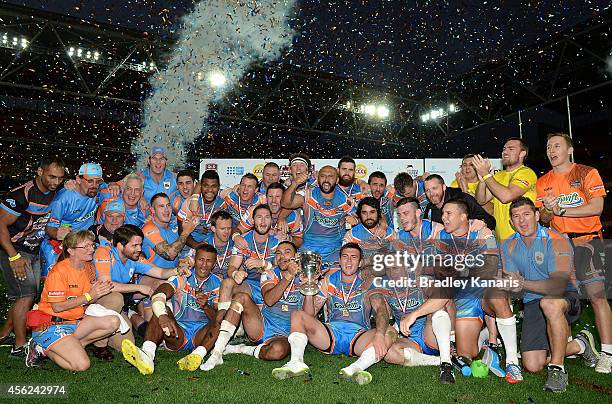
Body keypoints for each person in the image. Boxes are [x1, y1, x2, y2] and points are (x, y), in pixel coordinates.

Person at [502, 197, 599, 392]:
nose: (522, 221)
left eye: (527, 214)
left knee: (550, 303)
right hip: (532, 302)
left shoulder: (556, 239)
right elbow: (514, 282)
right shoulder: (508, 245)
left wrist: (522, 284)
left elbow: (557, 285)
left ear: (537, 216)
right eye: (516, 217)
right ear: (511, 223)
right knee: (532, 365)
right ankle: (580, 344)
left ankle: (557, 369)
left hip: (566, 297)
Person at [536, 132, 610, 374]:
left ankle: (608, 353)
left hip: (587, 242)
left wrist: (562, 210)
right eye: (548, 147)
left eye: (556, 146)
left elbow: (597, 207)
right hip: (559, 247)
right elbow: (545, 219)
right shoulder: (543, 181)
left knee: (597, 296)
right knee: (560, 299)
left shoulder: (587, 173)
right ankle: (577, 345)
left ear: (569, 150)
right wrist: (548, 209)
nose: (551, 150)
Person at [272, 243, 393, 385]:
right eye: (345, 257)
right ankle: (296, 362)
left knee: (390, 331)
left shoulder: (368, 283)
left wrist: (378, 335)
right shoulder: (328, 281)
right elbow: (309, 315)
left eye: (353, 257)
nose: (349, 261)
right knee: (297, 315)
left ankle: (356, 367)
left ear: (360, 262)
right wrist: (309, 287)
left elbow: (381, 309)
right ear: (340, 261)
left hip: (359, 336)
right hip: (330, 334)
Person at [431, 199, 523, 383]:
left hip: (483, 292)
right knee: (467, 354)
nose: (444, 218)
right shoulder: (441, 237)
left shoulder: (483, 232)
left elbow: (489, 269)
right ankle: (486, 337)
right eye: (443, 214)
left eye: (449, 213)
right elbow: (440, 271)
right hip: (464, 299)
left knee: (498, 294)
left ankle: (512, 362)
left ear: (464, 216)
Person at [199, 241, 306, 370]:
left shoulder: (305, 276)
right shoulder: (269, 273)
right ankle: (217, 353)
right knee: (241, 297)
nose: (282, 256)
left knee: (277, 351)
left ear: (297, 256)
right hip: (261, 326)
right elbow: (269, 300)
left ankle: (242, 349)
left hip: (286, 334)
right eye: (278, 253)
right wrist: (289, 275)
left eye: (287, 252)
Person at [199, 205, 280, 370]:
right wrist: (235, 273)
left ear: (272, 221)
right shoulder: (243, 240)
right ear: (253, 220)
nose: (263, 221)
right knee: (228, 282)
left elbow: (284, 266)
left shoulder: (278, 241)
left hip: (271, 289)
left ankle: (237, 331)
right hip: (250, 287)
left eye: (267, 217)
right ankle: (220, 328)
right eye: (259, 217)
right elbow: (231, 268)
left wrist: (265, 264)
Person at [25, 230, 120, 371]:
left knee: (113, 322)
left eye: (92, 245)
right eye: (85, 247)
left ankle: (73, 345)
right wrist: (90, 296)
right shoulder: (59, 272)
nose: (91, 249)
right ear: (71, 250)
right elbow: (57, 307)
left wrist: (97, 292)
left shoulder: (89, 267)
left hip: (75, 322)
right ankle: (42, 349)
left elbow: (89, 295)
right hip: (51, 325)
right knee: (82, 365)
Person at [120, 244, 222, 374]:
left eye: (209, 261)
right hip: (177, 332)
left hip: (201, 336)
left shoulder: (218, 283)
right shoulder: (181, 277)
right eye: (201, 259)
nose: (204, 264)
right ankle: (147, 355)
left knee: (221, 319)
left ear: (214, 264)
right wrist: (162, 315)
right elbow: (159, 294)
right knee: (161, 309)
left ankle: (197, 356)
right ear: (194, 260)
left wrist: (206, 307)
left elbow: (217, 319)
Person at [0, 157, 65, 358]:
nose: (55, 182)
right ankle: (20, 347)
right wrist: (13, 257)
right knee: (25, 295)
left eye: (60, 178)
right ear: (39, 172)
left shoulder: (55, 192)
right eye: (51, 176)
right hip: (13, 250)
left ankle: (3, 335)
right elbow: (0, 225)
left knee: (28, 294)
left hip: (33, 250)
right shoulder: (21, 195)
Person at [282, 165, 356, 264]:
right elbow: (285, 203)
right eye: (323, 176)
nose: (326, 179)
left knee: (338, 274)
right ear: (317, 178)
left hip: (334, 251)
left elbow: (363, 217)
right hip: (308, 248)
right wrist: (295, 183)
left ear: (337, 180)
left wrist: (355, 219)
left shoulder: (346, 200)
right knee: (299, 274)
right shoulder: (308, 195)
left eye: (330, 176)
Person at [40, 163, 104, 277]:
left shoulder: (99, 191)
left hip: (83, 243)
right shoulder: (62, 199)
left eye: (98, 181)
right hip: (57, 244)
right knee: (55, 279)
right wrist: (58, 234)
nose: (94, 185)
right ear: (78, 179)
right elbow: (48, 228)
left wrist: (115, 185)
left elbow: (124, 184)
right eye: (90, 181)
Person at [473, 137, 537, 241]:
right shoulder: (498, 175)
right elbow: (481, 200)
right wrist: (482, 180)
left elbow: (506, 197)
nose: (505, 152)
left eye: (511, 149)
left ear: (522, 153)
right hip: (501, 240)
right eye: (504, 149)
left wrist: (486, 174)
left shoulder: (526, 173)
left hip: (522, 239)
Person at [141, 193, 199, 269]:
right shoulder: (149, 228)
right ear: (152, 210)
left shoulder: (174, 224)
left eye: (168, 205)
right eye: (161, 206)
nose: (166, 210)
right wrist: (185, 232)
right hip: (155, 278)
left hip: (175, 276)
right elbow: (170, 254)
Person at [239, 182, 304, 248]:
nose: (273, 201)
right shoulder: (255, 211)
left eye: (278, 196)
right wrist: (236, 237)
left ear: (284, 198)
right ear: (266, 198)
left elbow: (299, 241)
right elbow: (239, 229)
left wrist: (289, 239)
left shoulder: (293, 215)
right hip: (256, 253)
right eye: (270, 196)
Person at [423, 174, 496, 231]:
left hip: (470, 246)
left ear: (444, 187)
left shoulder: (463, 199)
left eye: (434, 188)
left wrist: (482, 222)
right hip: (447, 247)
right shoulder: (429, 208)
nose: (431, 193)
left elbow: (491, 221)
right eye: (427, 190)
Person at [179, 170, 228, 247]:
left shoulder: (222, 204)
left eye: (214, 186)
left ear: (219, 187)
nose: (210, 190)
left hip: (213, 246)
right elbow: (181, 230)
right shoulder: (189, 203)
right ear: (200, 186)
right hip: (190, 245)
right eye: (206, 185)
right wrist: (196, 245)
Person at [199, 211, 234, 278]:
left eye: (229, 228)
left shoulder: (235, 245)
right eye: (222, 228)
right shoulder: (204, 245)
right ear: (213, 229)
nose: (226, 232)